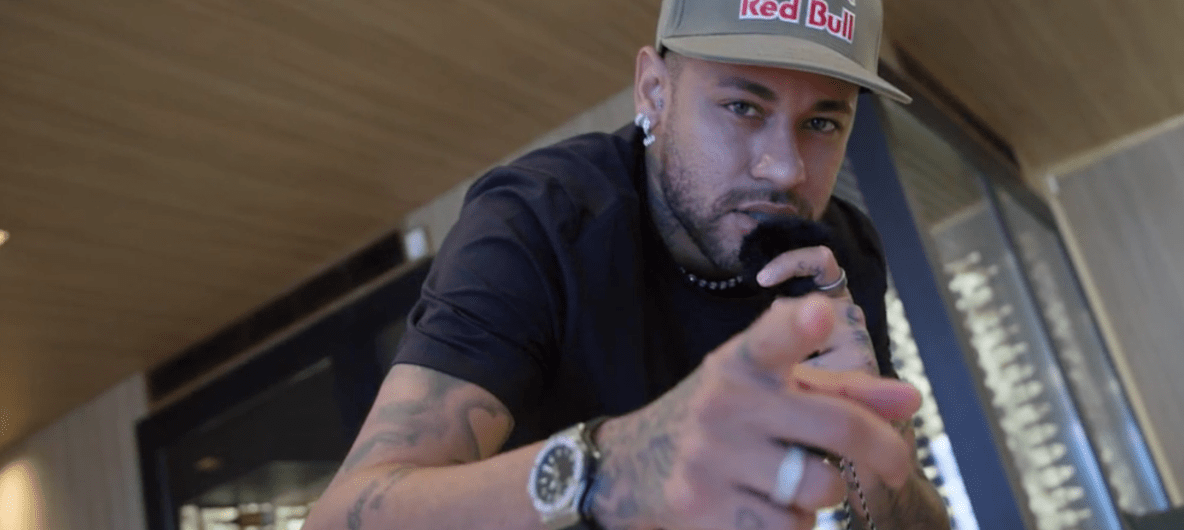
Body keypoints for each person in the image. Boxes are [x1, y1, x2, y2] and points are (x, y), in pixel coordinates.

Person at [305, 0, 950, 529]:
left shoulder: (836, 254)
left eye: (823, 123)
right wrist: (613, 468)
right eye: (743, 107)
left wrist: (874, 445)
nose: (784, 169)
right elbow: (338, 520)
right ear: (653, 92)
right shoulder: (537, 221)